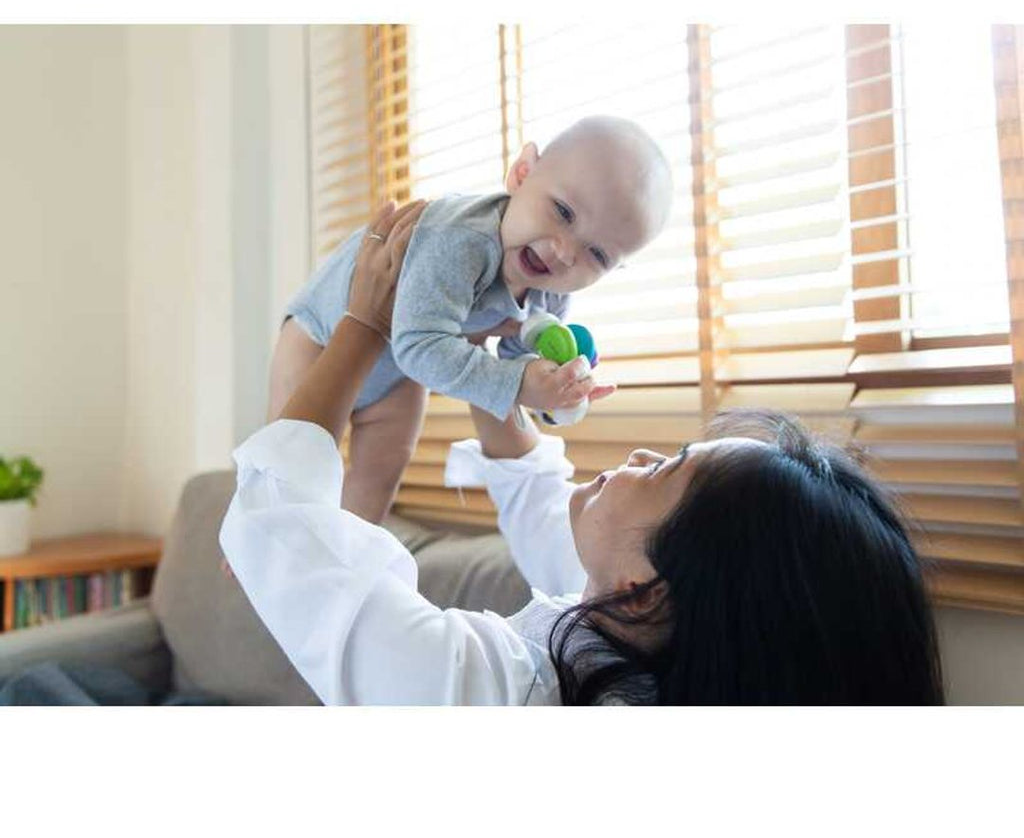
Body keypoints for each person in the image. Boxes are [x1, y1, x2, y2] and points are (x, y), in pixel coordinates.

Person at [220, 199, 946, 706]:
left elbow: (281, 529)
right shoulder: (650, 647)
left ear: (645, 585)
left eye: (662, 468)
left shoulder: (499, 691)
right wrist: (494, 358)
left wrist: (364, 325)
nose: (634, 454)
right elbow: (540, 502)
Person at [268, 115, 674, 522]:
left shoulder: (550, 293)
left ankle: (349, 561)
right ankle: (261, 527)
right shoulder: (460, 239)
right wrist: (518, 385)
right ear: (522, 173)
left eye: (598, 254)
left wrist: (556, 394)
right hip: (321, 338)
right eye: (563, 212)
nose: (565, 252)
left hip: (397, 372)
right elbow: (422, 345)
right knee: (290, 462)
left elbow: (517, 364)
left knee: (381, 473)